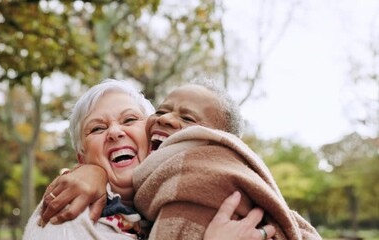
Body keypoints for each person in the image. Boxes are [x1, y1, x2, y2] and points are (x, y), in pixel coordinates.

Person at [23, 79, 273, 240]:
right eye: (97, 129)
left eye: (130, 120)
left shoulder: (181, 204)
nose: (115, 132)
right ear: (82, 157)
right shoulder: (66, 213)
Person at [132, 83, 322, 239]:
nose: (165, 118)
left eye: (188, 118)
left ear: (221, 143)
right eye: (160, 111)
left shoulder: (199, 188)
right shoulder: (129, 193)